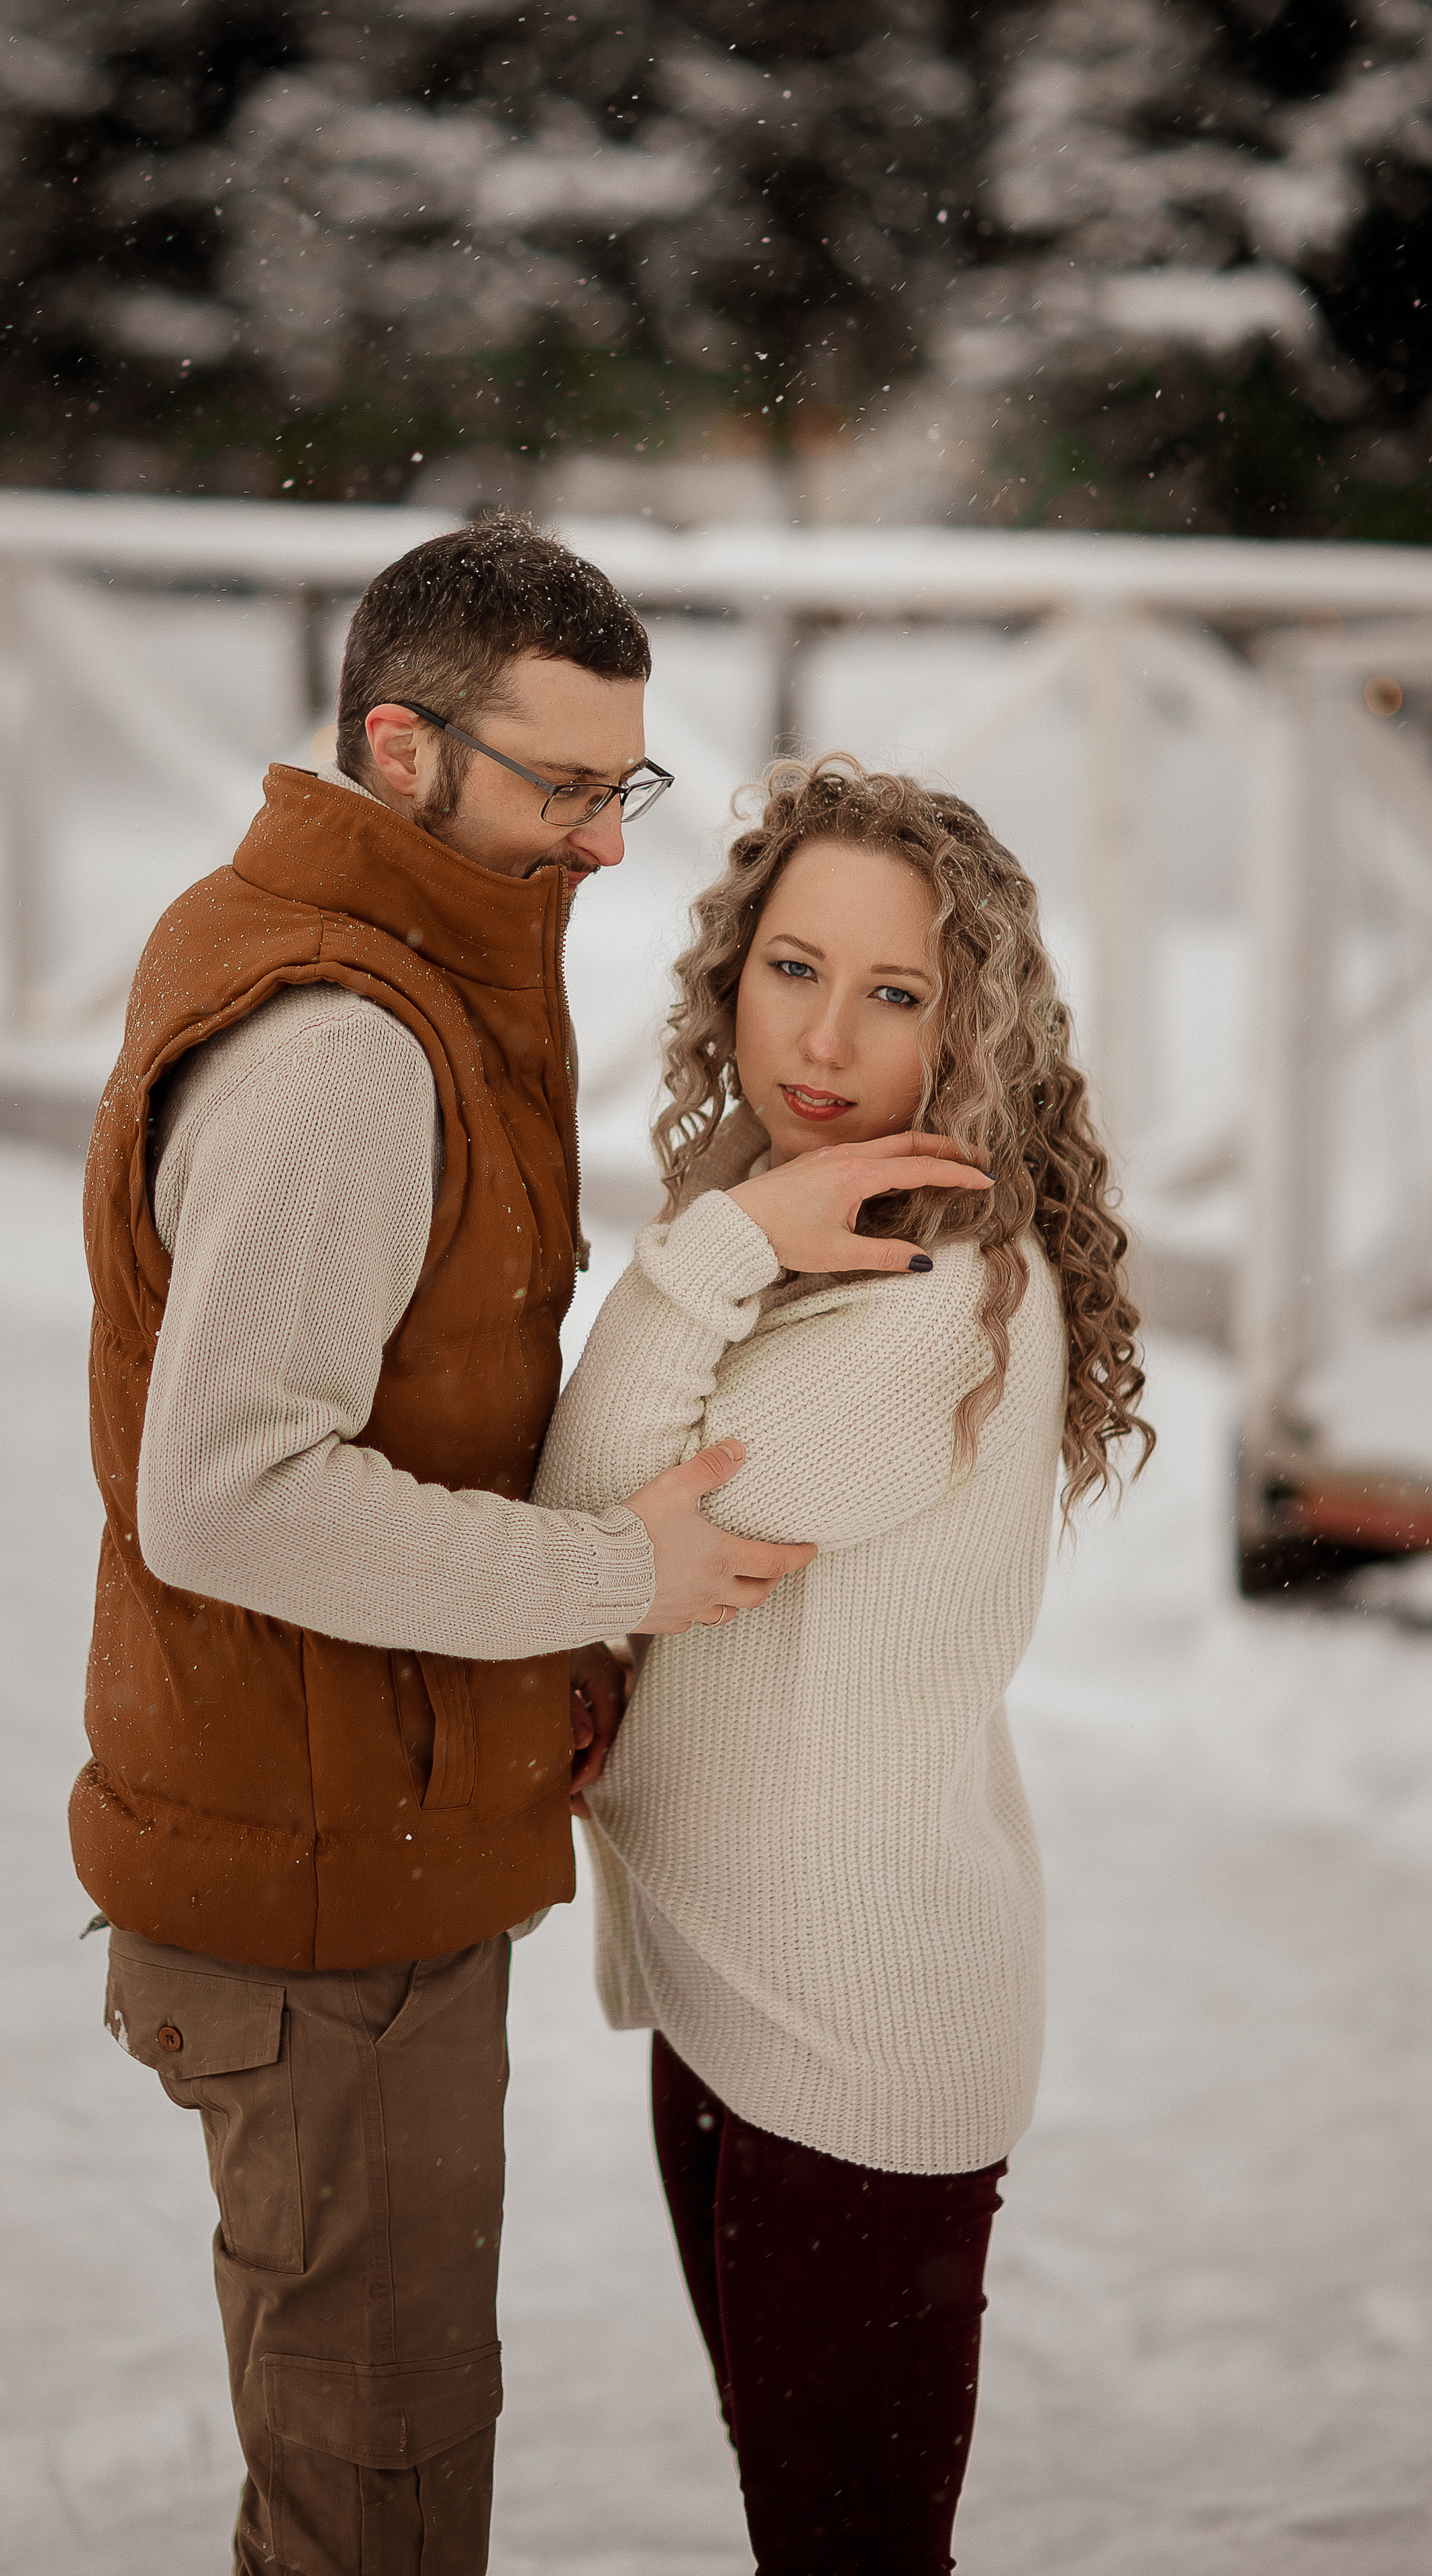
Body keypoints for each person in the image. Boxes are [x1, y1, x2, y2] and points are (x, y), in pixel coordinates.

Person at [69, 513, 816, 2576]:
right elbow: (230, 1488)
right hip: (322, 1905)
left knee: (370, 2459)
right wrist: (610, 1580)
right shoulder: (343, 1046)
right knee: (379, 2497)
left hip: (348, 1832)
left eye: (625, 785)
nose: (602, 842)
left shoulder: (390, 960)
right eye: (561, 788)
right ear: (402, 750)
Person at [533, 755, 1154, 2575]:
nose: (826, 1037)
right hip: (746, 2001)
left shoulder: (934, 1305)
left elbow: (587, 1526)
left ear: (972, 1033)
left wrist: (704, 1254)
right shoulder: (828, 1220)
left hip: (854, 2044)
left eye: (896, 995)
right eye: (792, 968)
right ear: (729, 967)